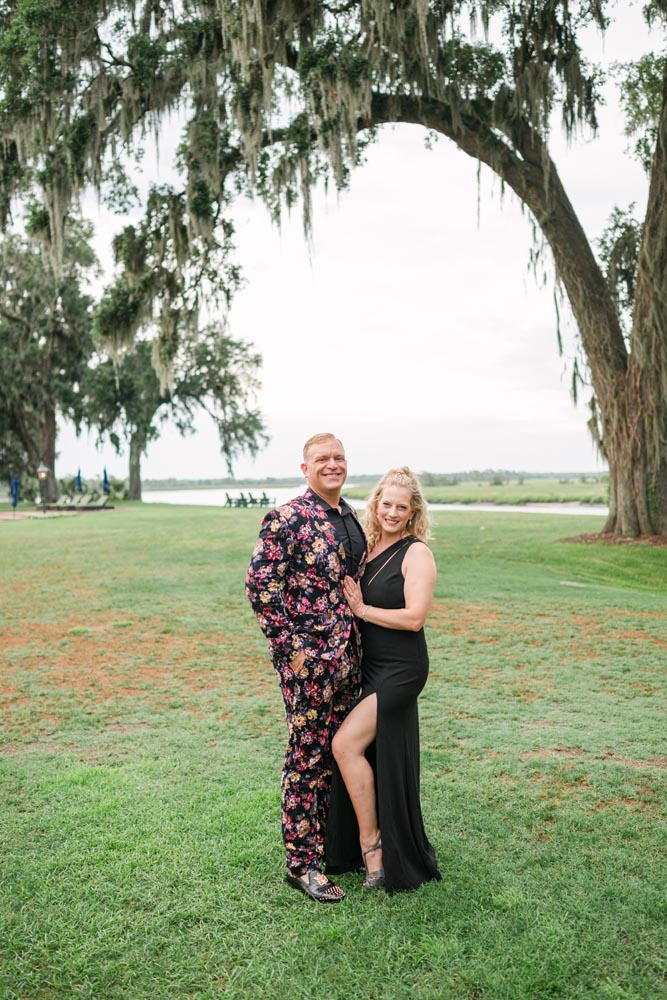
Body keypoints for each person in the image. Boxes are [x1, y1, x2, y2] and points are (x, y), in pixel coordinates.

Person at [246, 433, 366, 903]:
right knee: (306, 760)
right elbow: (261, 587)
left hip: (350, 660)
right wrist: (293, 652)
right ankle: (302, 866)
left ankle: (335, 850)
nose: (332, 464)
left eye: (339, 457)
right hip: (309, 664)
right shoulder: (287, 517)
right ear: (305, 468)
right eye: (322, 459)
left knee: (338, 755)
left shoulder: (350, 516)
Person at [330, 466, 442, 894]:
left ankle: (373, 845)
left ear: (414, 511)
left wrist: (362, 611)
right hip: (371, 667)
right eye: (386, 504)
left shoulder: (417, 554)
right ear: (376, 504)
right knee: (374, 752)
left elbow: (414, 618)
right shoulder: (370, 545)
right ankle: (376, 844)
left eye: (401, 507)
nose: (392, 512)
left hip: (402, 669)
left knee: (346, 745)